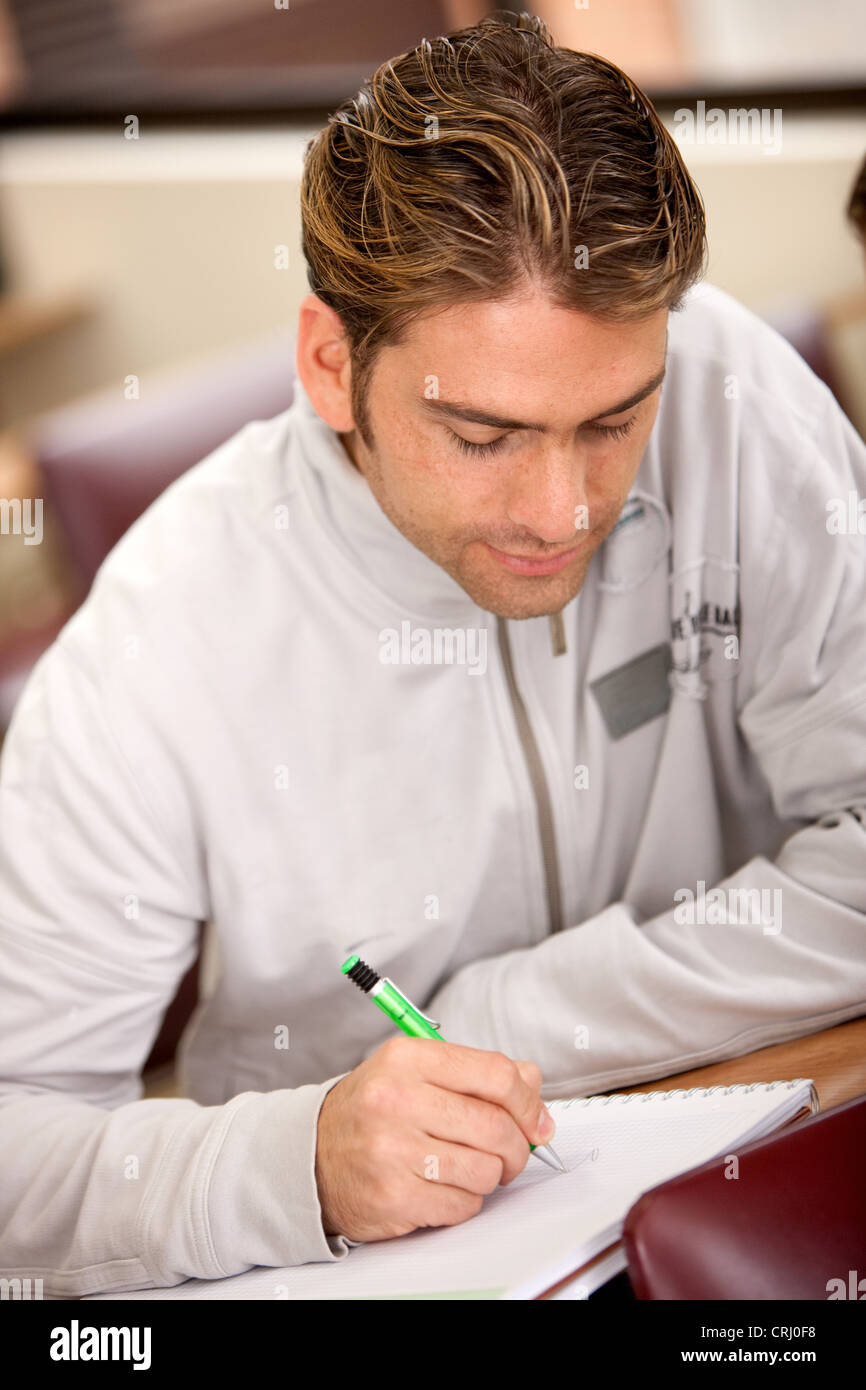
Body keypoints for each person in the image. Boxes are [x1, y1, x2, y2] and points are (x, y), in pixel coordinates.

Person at [1, 11, 864, 1296]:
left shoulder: (728, 397)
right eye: (482, 436)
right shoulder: (157, 648)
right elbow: (17, 1155)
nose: (562, 510)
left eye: (611, 420)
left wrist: (507, 1019)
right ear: (329, 366)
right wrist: (299, 1161)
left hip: (722, 1164)